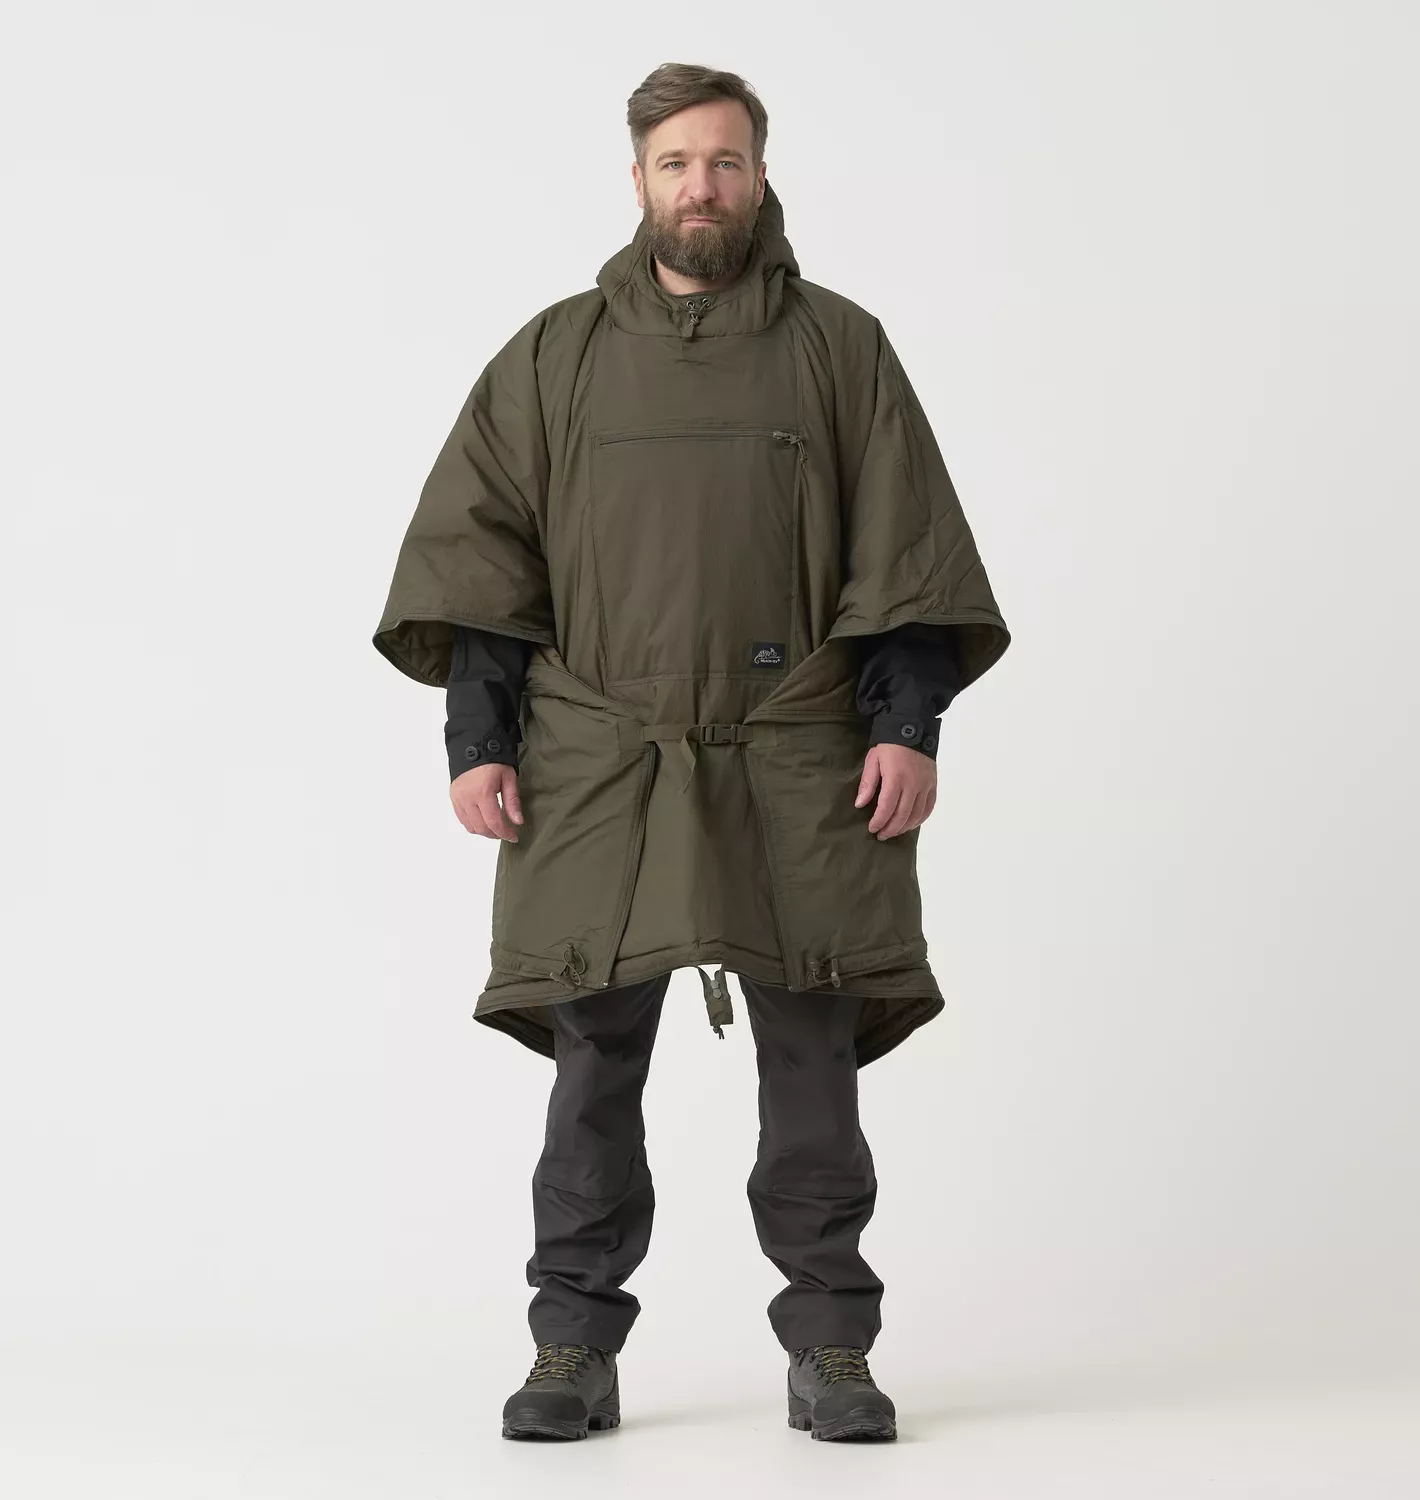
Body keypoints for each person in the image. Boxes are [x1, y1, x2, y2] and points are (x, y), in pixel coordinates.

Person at [372, 62, 1011, 1443]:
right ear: (639, 181)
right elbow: (485, 560)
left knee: (813, 1063)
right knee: (593, 1066)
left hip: (802, 754)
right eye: (676, 164)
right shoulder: (554, 356)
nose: (701, 188)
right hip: (598, 757)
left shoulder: (841, 347)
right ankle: (570, 1347)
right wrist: (478, 738)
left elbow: (902, 546)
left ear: (761, 176)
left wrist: (906, 726)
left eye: (724, 162)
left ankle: (832, 1346)